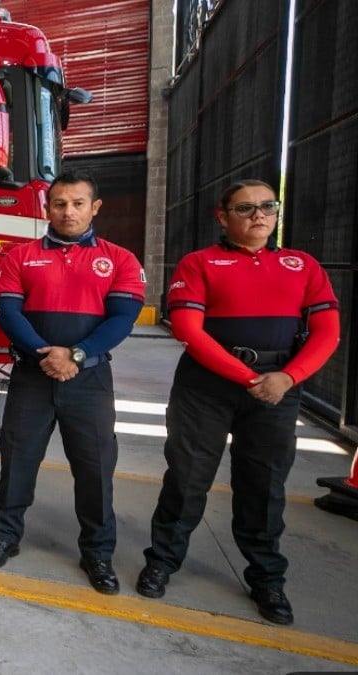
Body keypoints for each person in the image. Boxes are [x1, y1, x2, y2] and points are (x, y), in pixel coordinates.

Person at [137, 179, 339, 625]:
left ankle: (267, 578)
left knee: (264, 486)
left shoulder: (301, 265)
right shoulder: (200, 263)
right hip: (206, 388)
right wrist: (250, 377)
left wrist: (287, 377)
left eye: (268, 206)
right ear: (223, 216)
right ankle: (163, 561)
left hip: (277, 389)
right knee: (187, 478)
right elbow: (189, 330)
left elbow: (328, 332)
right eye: (245, 208)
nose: (259, 216)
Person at [0, 169, 144, 595]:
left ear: (95, 207)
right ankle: (4, 537)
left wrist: (76, 354)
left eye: (77, 203)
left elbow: (122, 319)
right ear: (46, 207)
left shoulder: (120, 259)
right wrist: (44, 354)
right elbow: (9, 314)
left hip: (89, 380)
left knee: (95, 470)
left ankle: (98, 553)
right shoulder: (19, 256)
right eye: (59, 203)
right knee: (18, 460)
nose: (68, 211)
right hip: (33, 376)